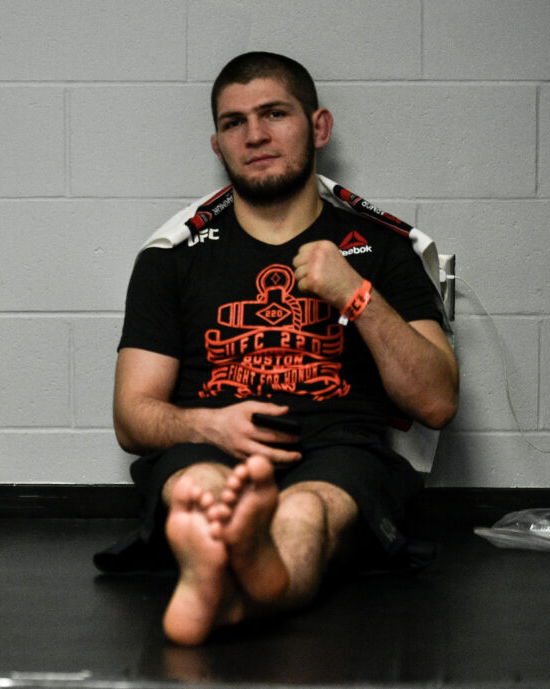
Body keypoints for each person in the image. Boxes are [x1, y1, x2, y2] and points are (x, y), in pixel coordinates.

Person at [96, 52, 458, 645]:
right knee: (205, 496)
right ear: (217, 144)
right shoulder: (172, 259)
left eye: (274, 113)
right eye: (234, 122)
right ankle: (238, 583)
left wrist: (355, 293)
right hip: (204, 446)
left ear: (318, 127)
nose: (255, 135)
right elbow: (132, 418)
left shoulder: (380, 250)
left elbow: (438, 402)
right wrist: (209, 427)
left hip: (338, 451)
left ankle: (222, 591)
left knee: (303, 513)